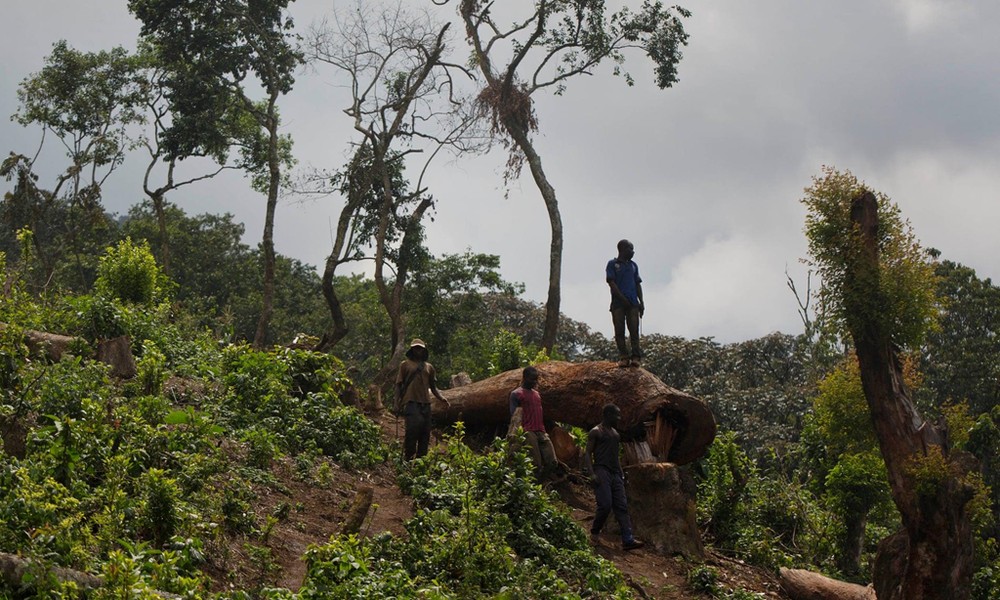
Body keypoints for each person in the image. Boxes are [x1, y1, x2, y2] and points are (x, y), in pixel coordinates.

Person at [582, 403, 645, 551]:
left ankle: (627, 539)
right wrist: (591, 473)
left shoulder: (616, 435)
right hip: (601, 470)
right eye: (616, 415)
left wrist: (621, 474)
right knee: (605, 504)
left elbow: (616, 457)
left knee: (622, 506)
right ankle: (595, 533)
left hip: (615, 473)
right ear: (607, 415)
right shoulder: (596, 432)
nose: (619, 418)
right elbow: (587, 453)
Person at [395, 339, 448, 460]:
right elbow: (398, 385)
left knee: (425, 433)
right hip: (411, 402)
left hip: (426, 404)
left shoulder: (429, 367)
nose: (418, 350)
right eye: (415, 348)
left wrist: (441, 398)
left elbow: (433, 387)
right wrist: (396, 403)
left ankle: (421, 461)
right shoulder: (405, 365)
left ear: (423, 350)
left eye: (420, 348)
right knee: (412, 431)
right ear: (412, 349)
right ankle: (408, 458)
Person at [509, 366, 558, 479]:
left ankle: (541, 482)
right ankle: (532, 486)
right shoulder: (516, 394)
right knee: (536, 463)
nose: (535, 382)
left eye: (536, 379)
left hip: (541, 430)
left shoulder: (536, 394)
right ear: (525, 378)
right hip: (527, 430)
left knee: (552, 462)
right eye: (532, 379)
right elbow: (514, 416)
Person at [606, 239, 644, 367]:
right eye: (630, 249)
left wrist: (641, 302)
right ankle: (624, 356)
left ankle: (636, 357)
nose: (633, 252)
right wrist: (622, 299)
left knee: (634, 330)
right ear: (622, 249)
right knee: (619, 331)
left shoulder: (633, 266)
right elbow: (612, 283)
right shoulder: (613, 264)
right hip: (618, 304)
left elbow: (638, 284)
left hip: (633, 303)